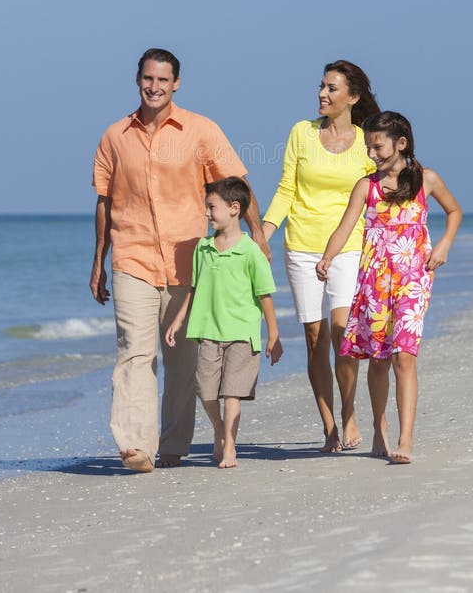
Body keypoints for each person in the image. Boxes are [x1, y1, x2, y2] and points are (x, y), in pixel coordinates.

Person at [89, 48, 269, 473]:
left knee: (183, 361)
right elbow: (104, 202)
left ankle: (173, 444)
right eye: (148, 79)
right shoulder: (115, 136)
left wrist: (257, 235)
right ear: (137, 80)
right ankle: (136, 445)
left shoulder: (201, 131)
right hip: (132, 256)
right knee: (133, 351)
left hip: (189, 262)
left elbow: (237, 186)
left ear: (176, 84)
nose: (154, 87)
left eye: (163, 81)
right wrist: (99, 260)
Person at [316, 111, 462, 464]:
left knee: (404, 357)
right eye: (368, 146)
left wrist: (442, 246)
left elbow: (454, 211)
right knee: (378, 360)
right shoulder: (367, 187)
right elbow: (344, 226)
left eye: (377, 146)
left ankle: (405, 437)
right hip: (374, 281)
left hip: (414, 278)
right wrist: (327, 258)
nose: (372, 153)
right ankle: (379, 430)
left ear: (401, 144)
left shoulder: (427, 180)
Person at [262, 60, 380, 452]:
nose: (322, 94)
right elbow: (286, 190)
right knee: (315, 337)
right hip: (301, 244)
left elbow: (379, 194)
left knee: (343, 332)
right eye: (321, 86)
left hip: (348, 245)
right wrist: (264, 233)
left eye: (331, 88)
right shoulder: (302, 133)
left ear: (353, 96)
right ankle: (329, 423)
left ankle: (349, 413)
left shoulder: (368, 141)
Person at [165, 177, 283, 469]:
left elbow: (264, 294)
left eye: (211, 207)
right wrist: (178, 320)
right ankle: (219, 428)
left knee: (232, 392)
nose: (206, 214)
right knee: (205, 393)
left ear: (234, 208)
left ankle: (229, 444)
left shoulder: (251, 251)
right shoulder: (203, 249)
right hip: (207, 331)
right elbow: (194, 289)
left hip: (242, 333)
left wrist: (273, 334)